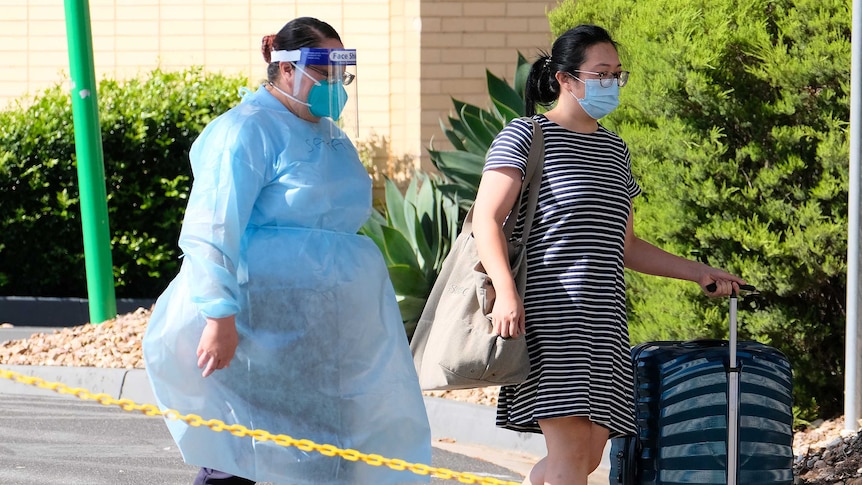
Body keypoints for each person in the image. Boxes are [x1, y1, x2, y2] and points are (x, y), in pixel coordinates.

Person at [142, 17, 431, 485]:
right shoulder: (245, 131)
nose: (334, 85)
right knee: (242, 449)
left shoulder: (332, 138)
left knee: (315, 450)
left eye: (342, 73)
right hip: (257, 323)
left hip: (319, 330)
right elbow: (213, 227)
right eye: (323, 70)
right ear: (284, 67)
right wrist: (219, 317)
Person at [470, 24, 747, 485]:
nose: (612, 83)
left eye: (618, 74)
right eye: (602, 73)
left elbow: (627, 245)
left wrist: (697, 273)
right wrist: (505, 292)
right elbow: (485, 220)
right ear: (564, 78)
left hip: (604, 322)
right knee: (571, 452)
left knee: (586, 457)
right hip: (550, 316)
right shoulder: (526, 135)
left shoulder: (615, 148)